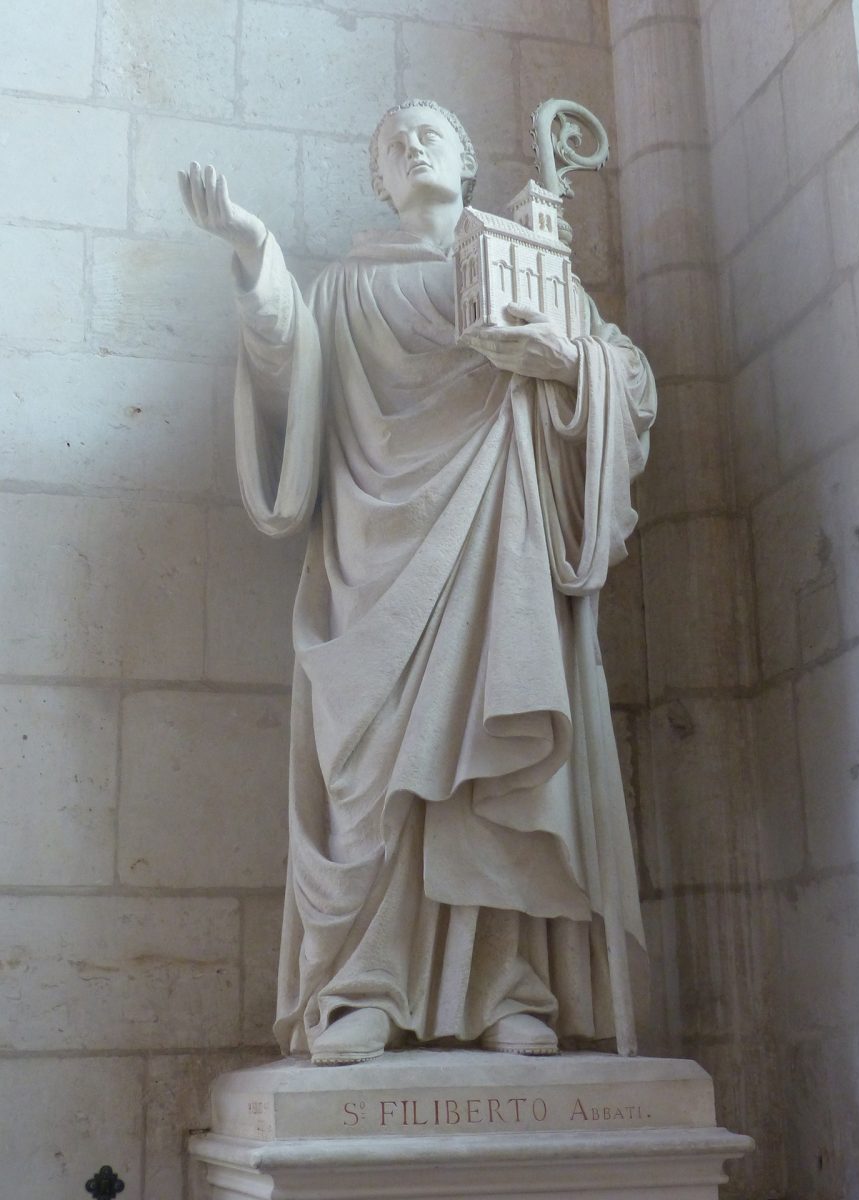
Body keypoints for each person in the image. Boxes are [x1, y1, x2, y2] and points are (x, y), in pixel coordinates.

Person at [178, 98, 657, 1066]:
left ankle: (507, 989)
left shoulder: (528, 263)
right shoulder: (349, 288)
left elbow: (630, 383)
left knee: (497, 757)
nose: (410, 143)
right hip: (372, 562)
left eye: (429, 131)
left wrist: (564, 360)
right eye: (392, 143)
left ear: (468, 159)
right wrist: (255, 252)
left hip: (500, 543)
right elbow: (286, 370)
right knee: (373, 777)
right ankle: (361, 987)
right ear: (381, 181)